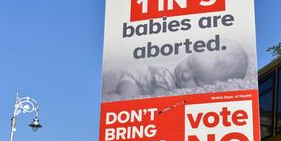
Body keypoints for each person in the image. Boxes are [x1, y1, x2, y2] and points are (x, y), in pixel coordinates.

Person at [102, 40, 249, 98]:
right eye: (189, 63)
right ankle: (115, 92)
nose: (185, 75)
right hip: (136, 77)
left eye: (196, 80)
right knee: (130, 99)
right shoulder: (168, 76)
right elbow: (159, 98)